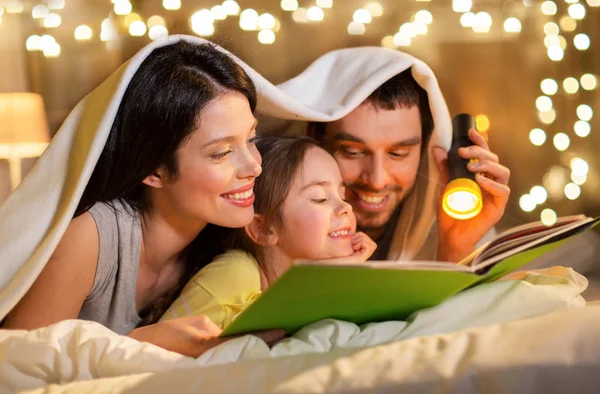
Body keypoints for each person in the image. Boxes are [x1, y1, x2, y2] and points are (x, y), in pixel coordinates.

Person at [2, 40, 284, 356]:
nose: (254, 166)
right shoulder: (91, 237)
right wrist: (140, 344)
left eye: (251, 139)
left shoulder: (225, 251)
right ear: (154, 171)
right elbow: (15, 365)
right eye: (222, 153)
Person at [161, 136, 377, 328]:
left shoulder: (322, 283)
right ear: (263, 229)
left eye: (343, 196)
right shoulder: (235, 274)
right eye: (320, 198)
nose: (346, 208)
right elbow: (158, 348)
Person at [307, 68, 511, 263]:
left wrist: (455, 250)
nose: (377, 180)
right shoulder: (282, 230)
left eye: (398, 154)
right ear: (318, 143)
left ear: (425, 150)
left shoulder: (460, 211)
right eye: (352, 152)